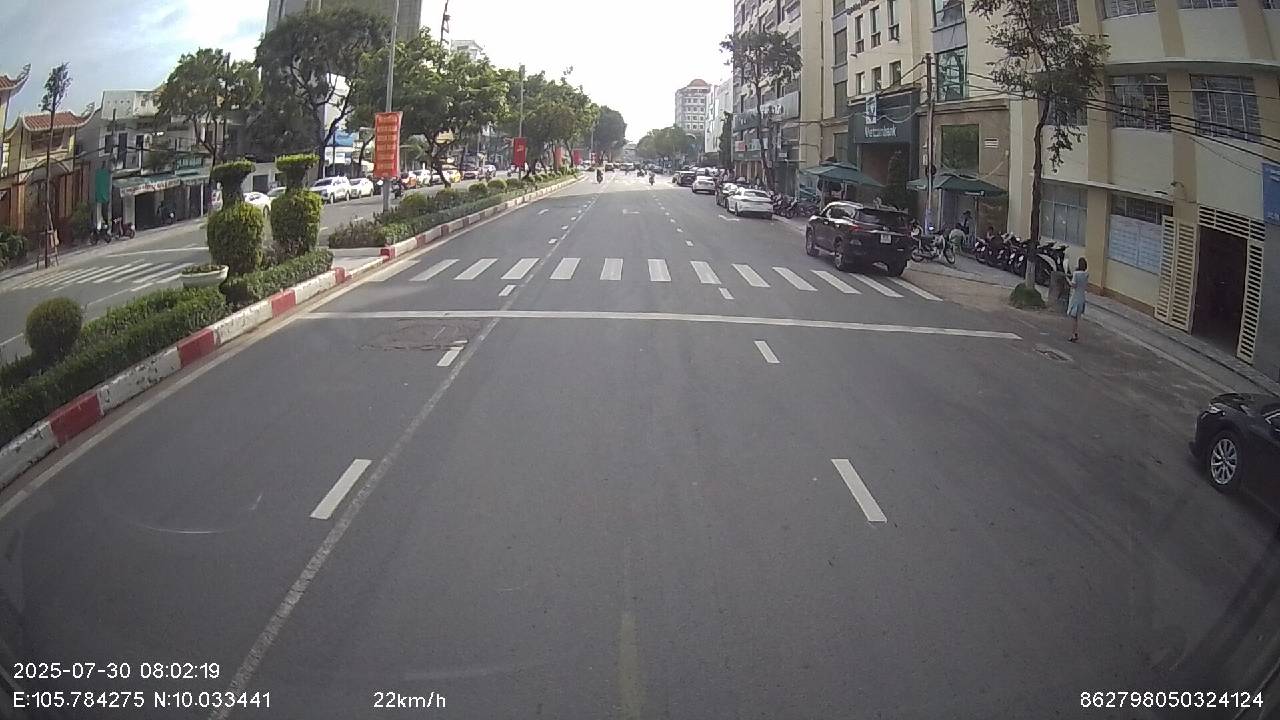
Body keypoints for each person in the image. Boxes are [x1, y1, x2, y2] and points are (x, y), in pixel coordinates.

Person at [1067, 257, 1089, 342]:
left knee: (1073, 317)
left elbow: (1074, 285)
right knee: (1077, 317)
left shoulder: (1076, 274)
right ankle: (1075, 332)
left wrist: (1068, 281)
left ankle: (1073, 334)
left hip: (1075, 296)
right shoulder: (1086, 275)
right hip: (1082, 296)